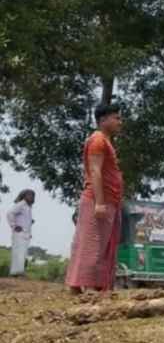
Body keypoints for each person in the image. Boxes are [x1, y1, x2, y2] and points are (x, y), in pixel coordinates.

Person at [66, 103, 125, 294]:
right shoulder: (98, 140)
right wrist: (99, 203)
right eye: (116, 118)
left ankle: (83, 285)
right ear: (103, 120)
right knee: (94, 244)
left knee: (100, 243)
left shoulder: (105, 141)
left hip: (108, 200)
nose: (119, 122)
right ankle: (88, 286)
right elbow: (95, 171)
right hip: (98, 200)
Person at [6, 190, 35, 277]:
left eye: (33, 196)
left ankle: (17, 273)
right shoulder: (21, 204)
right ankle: (18, 272)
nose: (32, 197)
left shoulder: (28, 207)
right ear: (24, 196)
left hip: (25, 234)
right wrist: (14, 225)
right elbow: (9, 213)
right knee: (19, 253)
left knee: (23, 253)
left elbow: (23, 219)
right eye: (30, 195)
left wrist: (30, 222)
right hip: (19, 233)